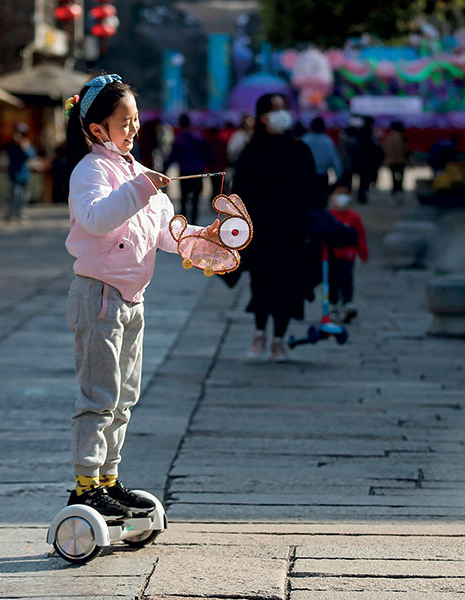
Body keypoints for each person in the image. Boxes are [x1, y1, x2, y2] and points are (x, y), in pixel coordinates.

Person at [62, 74, 219, 519]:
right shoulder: (90, 171)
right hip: (99, 295)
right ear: (96, 129)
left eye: (135, 120)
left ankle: (109, 479)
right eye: (123, 121)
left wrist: (203, 239)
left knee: (124, 396)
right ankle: (84, 485)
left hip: (133, 298)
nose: (132, 129)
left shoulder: (135, 170)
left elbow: (166, 233)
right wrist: (141, 188)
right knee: (98, 397)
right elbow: (95, 220)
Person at [233, 93, 319, 362]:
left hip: (291, 232)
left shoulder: (299, 150)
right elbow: (239, 194)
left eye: (284, 109)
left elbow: (313, 191)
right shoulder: (251, 152)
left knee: (288, 286)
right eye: (275, 110)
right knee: (261, 285)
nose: (282, 115)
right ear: (262, 116)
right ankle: (259, 333)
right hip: (260, 233)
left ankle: (279, 339)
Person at [327, 186, 368, 322]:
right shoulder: (328, 216)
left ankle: (347, 303)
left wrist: (363, 253)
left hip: (348, 254)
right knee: (332, 281)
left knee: (346, 279)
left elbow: (360, 235)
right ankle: (333, 305)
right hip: (331, 254)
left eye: (345, 195)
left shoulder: (354, 217)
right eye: (339, 195)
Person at [164, 113, 210, 223]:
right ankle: (195, 223)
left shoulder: (179, 139)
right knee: (195, 200)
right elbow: (207, 153)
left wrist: (164, 169)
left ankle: (184, 224)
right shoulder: (198, 136)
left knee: (184, 199)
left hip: (185, 172)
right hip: (198, 172)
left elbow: (172, 156)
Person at [301, 116, 343, 209]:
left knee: (307, 204)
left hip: (305, 177)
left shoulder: (304, 140)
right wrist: (338, 177)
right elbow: (335, 162)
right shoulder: (327, 141)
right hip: (321, 178)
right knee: (321, 205)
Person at [5, 123, 36, 223]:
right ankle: (12, 215)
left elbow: (30, 155)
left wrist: (25, 147)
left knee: (24, 197)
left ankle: (21, 214)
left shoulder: (27, 145)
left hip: (25, 175)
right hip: (14, 174)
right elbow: (11, 156)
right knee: (15, 195)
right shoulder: (11, 146)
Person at [382, 121, 409, 196]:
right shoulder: (400, 136)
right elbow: (405, 149)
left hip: (391, 160)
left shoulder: (389, 136)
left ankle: (395, 189)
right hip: (400, 160)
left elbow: (385, 148)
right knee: (400, 175)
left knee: (393, 175)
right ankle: (399, 188)